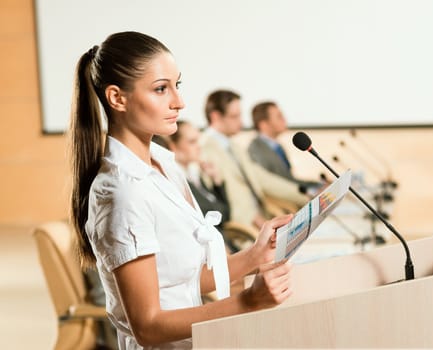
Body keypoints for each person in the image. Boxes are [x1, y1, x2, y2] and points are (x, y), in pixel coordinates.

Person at [69, 31, 293, 349]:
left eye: (177, 85)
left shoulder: (162, 162)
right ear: (117, 98)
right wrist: (248, 302)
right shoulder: (122, 193)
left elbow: (181, 277)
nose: (179, 102)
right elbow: (147, 326)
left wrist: (255, 255)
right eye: (161, 89)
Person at [200, 90, 310, 229]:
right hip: (242, 229)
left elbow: (263, 179)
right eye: (234, 116)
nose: (241, 122)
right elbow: (224, 198)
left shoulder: (234, 146)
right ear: (216, 116)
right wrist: (254, 220)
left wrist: (305, 194)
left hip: (260, 220)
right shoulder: (205, 149)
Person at [248, 101, 323, 195]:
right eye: (279, 116)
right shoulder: (256, 150)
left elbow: (289, 179)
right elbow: (273, 186)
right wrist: (313, 190)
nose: (284, 119)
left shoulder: (278, 146)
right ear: (264, 124)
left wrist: (318, 185)